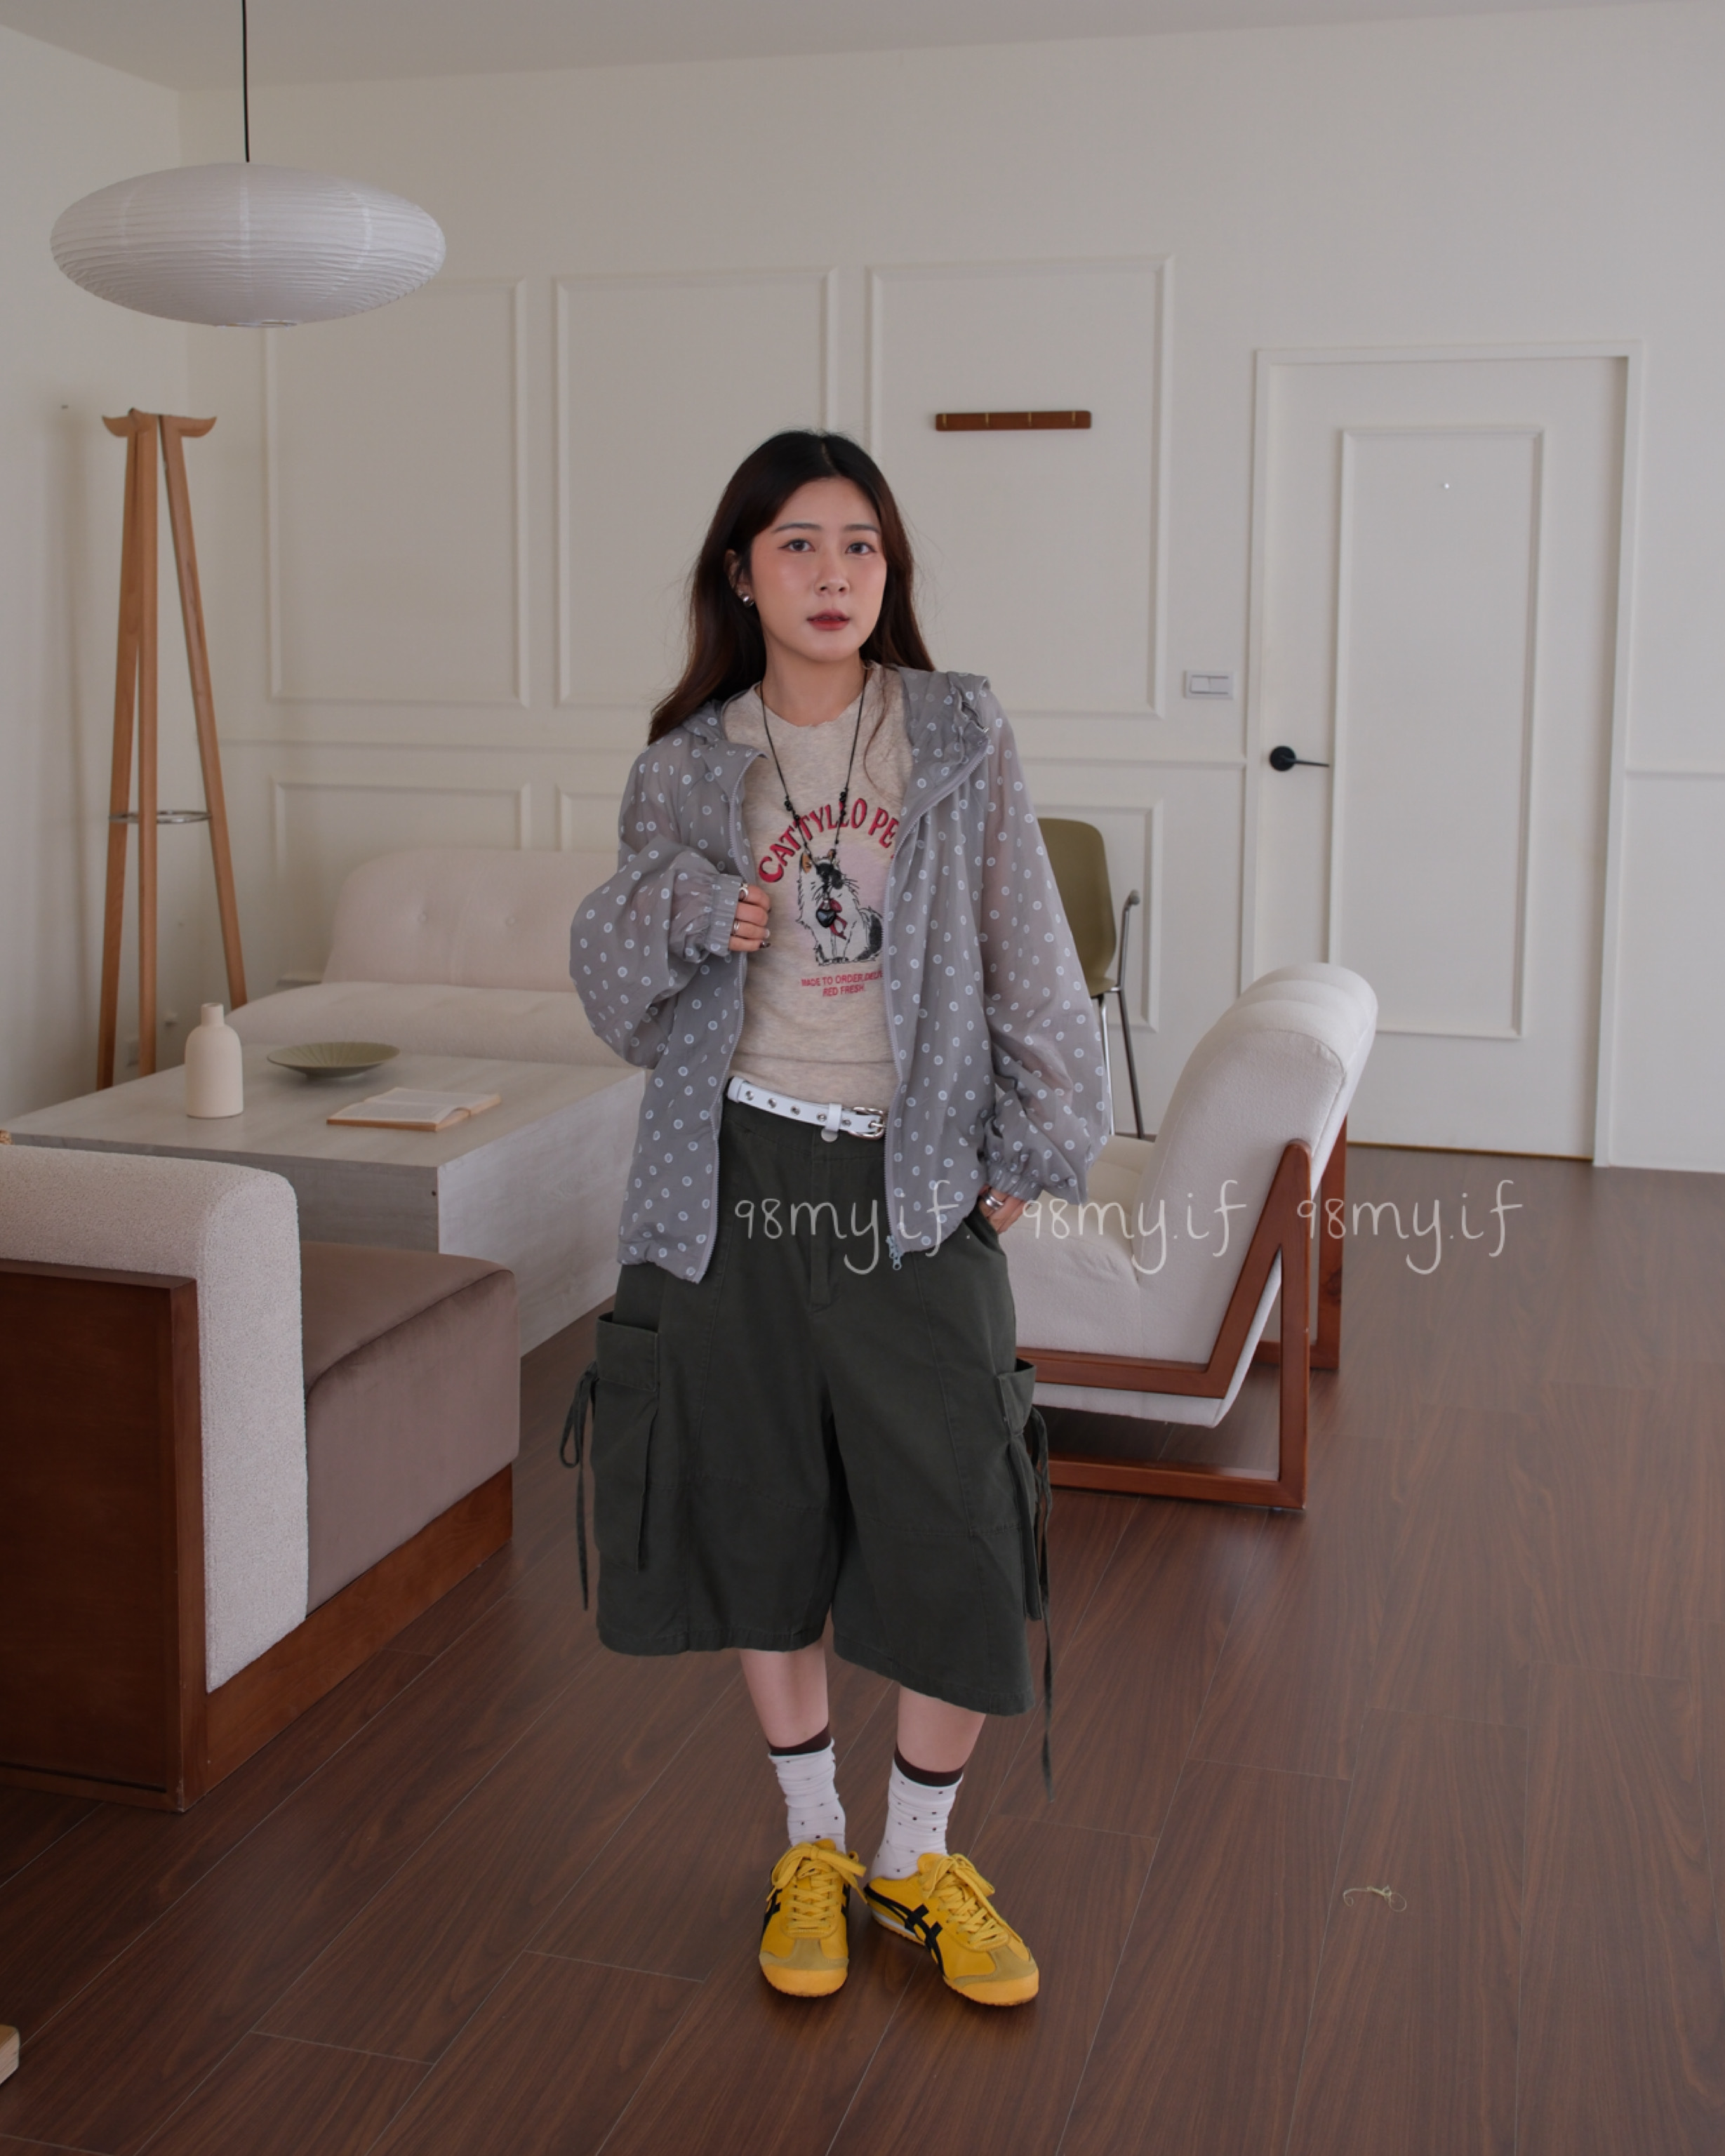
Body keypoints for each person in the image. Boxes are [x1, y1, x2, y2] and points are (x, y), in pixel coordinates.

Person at [567, 429, 1107, 2009]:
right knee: (760, 1508)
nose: (831, 574)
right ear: (740, 573)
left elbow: (1029, 943)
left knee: (958, 1518)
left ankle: (914, 1861)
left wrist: (1040, 1136)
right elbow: (615, 991)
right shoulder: (685, 765)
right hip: (731, 1175)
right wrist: (692, 904)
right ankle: (811, 1843)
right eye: (796, 545)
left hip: (911, 1182)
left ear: (890, 572)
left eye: (859, 545)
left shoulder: (952, 733)